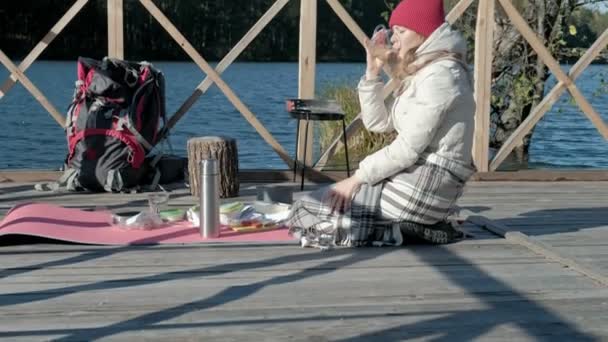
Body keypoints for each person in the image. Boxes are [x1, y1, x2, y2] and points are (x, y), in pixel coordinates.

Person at [287, 0, 477, 249]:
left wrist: (355, 179)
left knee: (306, 210)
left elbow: (407, 150)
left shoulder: (441, 76)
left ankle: (402, 230)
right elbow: (379, 123)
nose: (394, 39)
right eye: (393, 31)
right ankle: (408, 228)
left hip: (428, 182)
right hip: (415, 178)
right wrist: (372, 73)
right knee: (316, 202)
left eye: (401, 31)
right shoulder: (425, 70)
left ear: (424, 33)